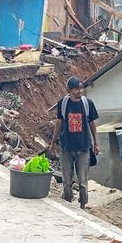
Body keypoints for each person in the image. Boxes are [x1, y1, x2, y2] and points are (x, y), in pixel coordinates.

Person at [48, 76, 99, 209]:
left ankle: (83, 205)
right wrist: (53, 143)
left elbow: (92, 124)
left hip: (83, 148)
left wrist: (96, 143)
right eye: (76, 88)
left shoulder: (88, 104)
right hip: (66, 147)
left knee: (83, 181)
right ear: (69, 90)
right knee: (66, 180)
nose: (80, 91)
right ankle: (68, 202)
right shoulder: (62, 104)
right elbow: (59, 123)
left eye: (81, 88)